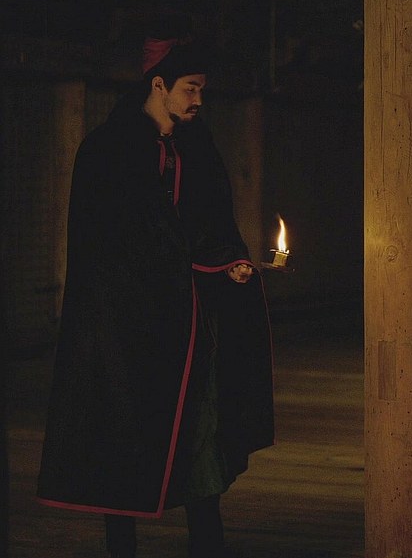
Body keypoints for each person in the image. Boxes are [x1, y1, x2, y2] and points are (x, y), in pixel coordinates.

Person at [36, 33, 275, 558]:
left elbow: (213, 220)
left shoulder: (198, 146)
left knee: (202, 428)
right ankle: (121, 547)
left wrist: (231, 260)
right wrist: (195, 263)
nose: (199, 99)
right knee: (124, 430)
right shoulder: (108, 149)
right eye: (191, 88)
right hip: (124, 322)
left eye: (202, 89)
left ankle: (207, 544)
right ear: (159, 84)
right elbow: (116, 239)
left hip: (191, 318)